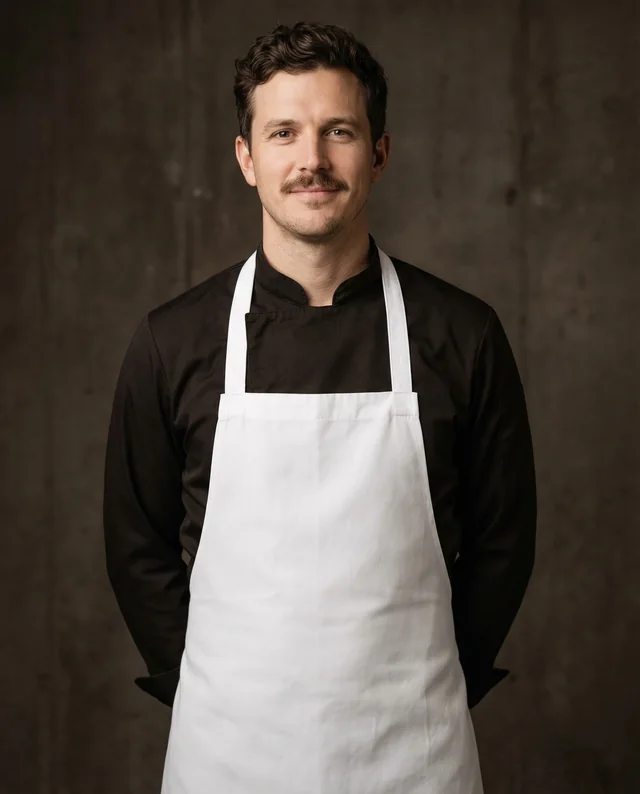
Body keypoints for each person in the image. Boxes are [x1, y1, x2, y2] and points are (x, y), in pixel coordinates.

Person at [103, 20, 536, 794]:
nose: (312, 160)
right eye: (284, 133)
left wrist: (426, 685)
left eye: (339, 130)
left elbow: (505, 539)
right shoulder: (174, 342)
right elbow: (136, 542)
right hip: (226, 756)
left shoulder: (460, 334)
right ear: (246, 158)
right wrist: (208, 688)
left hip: (416, 755)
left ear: (380, 151)